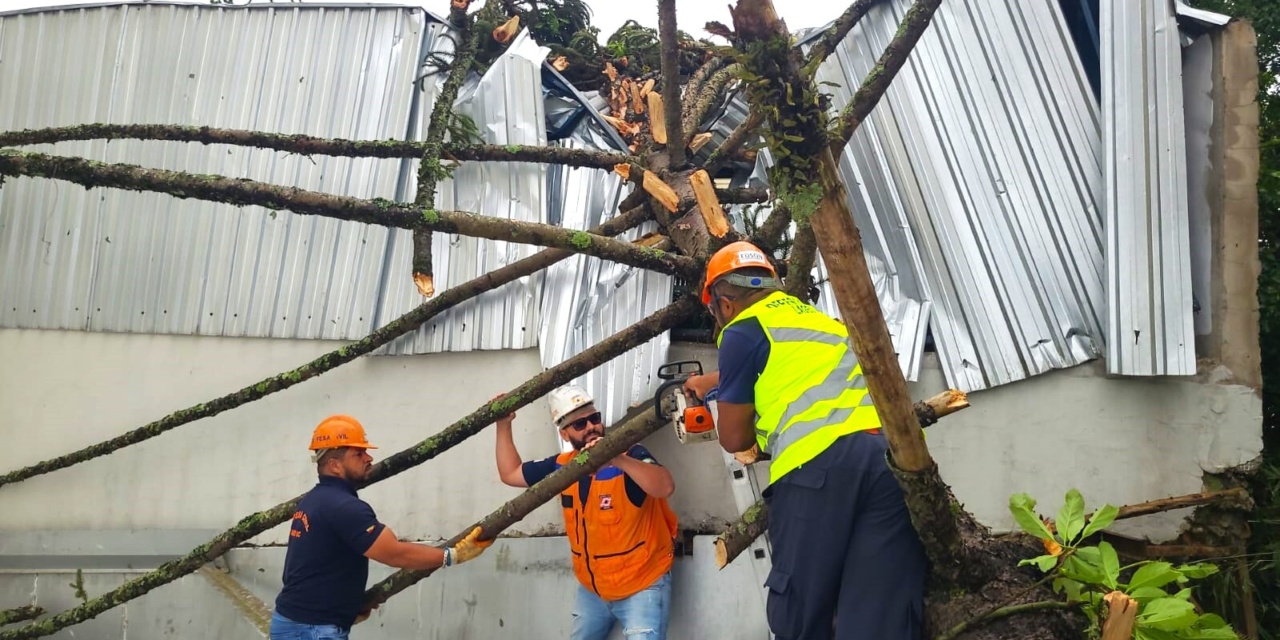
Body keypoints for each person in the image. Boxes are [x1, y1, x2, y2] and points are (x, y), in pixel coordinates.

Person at [683, 241, 928, 640]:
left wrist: (730, 405)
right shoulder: (824, 323)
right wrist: (712, 382)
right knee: (878, 614)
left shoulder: (741, 331)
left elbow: (734, 437)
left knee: (800, 612)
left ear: (724, 304)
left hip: (816, 469)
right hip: (888, 461)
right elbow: (796, 367)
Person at [270, 414, 494, 639]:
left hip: (295, 620)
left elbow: (315, 562)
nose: (369, 457)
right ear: (335, 465)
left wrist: (347, 606)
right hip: (313, 629)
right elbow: (394, 553)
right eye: (358, 454)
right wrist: (453, 555)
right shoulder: (343, 507)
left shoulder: (314, 500)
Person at [493, 384, 679, 640]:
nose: (591, 426)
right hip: (592, 591)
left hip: (642, 585)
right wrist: (503, 424)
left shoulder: (631, 455)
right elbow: (510, 473)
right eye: (580, 424)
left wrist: (616, 458)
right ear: (565, 434)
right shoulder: (562, 467)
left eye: (594, 419)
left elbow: (665, 486)